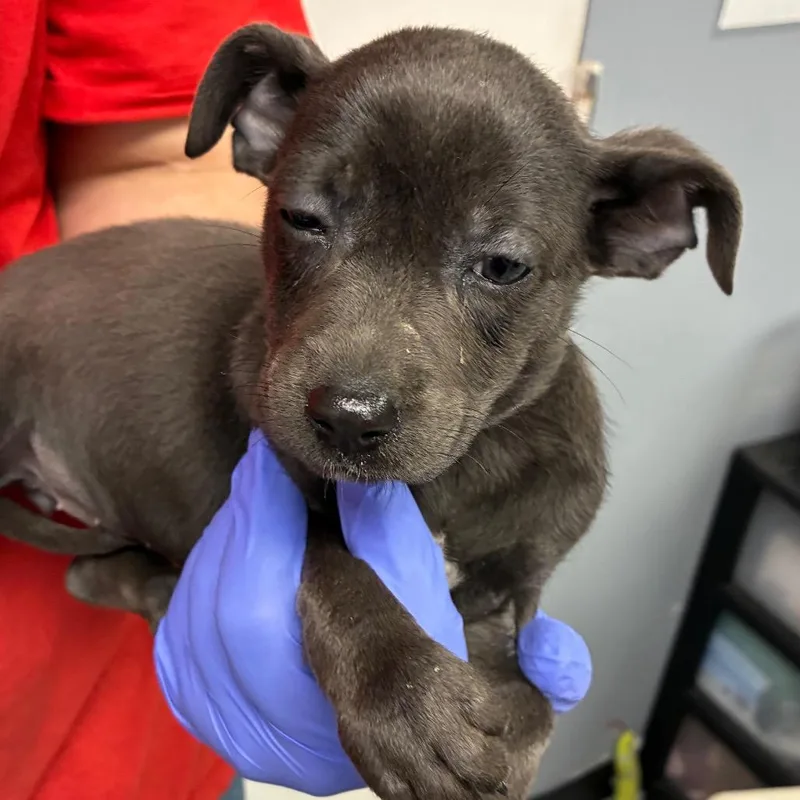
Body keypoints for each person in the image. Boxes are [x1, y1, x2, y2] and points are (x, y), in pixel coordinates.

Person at [0, 1, 591, 798]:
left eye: (498, 266)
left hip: (128, 735)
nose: (356, 389)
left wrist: (501, 725)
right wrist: (360, 640)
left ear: (631, 225)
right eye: (311, 219)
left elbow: (144, 159)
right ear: (261, 124)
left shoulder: (558, 479)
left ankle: (132, 577)